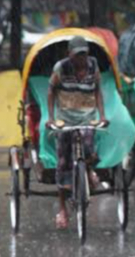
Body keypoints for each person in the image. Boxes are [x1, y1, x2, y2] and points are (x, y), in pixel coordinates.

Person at [45, 36, 109, 229]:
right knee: (63, 162)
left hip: (87, 117)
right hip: (65, 118)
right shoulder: (61, 68)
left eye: (84, 54)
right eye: (77, 55)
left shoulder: (93, 66)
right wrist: (50, 117)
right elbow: (50, 91)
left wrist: (102, 115)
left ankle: (88, 171)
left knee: (89, 148)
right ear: (70, 55)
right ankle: (63, 210)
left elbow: (97, 89)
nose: (81, 59)